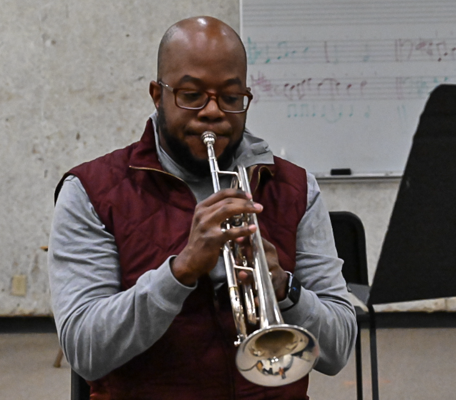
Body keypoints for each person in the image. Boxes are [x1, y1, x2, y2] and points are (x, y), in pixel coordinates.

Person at [48, 16, 356, 400]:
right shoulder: (91, 191)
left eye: (230, 98)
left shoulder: (295, 187)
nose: (212, 112)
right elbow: (85, 351)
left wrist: (286, 289)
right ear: (157, 95)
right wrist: (179, 272)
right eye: (191, 95)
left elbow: (339, 348)